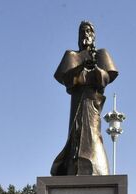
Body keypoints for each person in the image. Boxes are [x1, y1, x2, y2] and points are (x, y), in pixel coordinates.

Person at [51, 21, 119, 176]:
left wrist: (95, 68)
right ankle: (73, 166)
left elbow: (106, 78)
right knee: (76, 135)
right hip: (77, 102)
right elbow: (67, 79)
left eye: (88, 31)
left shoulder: (101, 54)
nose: (85, 34)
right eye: (82, 31)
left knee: (94, 135)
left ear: (93, 35)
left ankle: (97, 168)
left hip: (93, 102)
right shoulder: (72, 55)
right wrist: (81, 64)